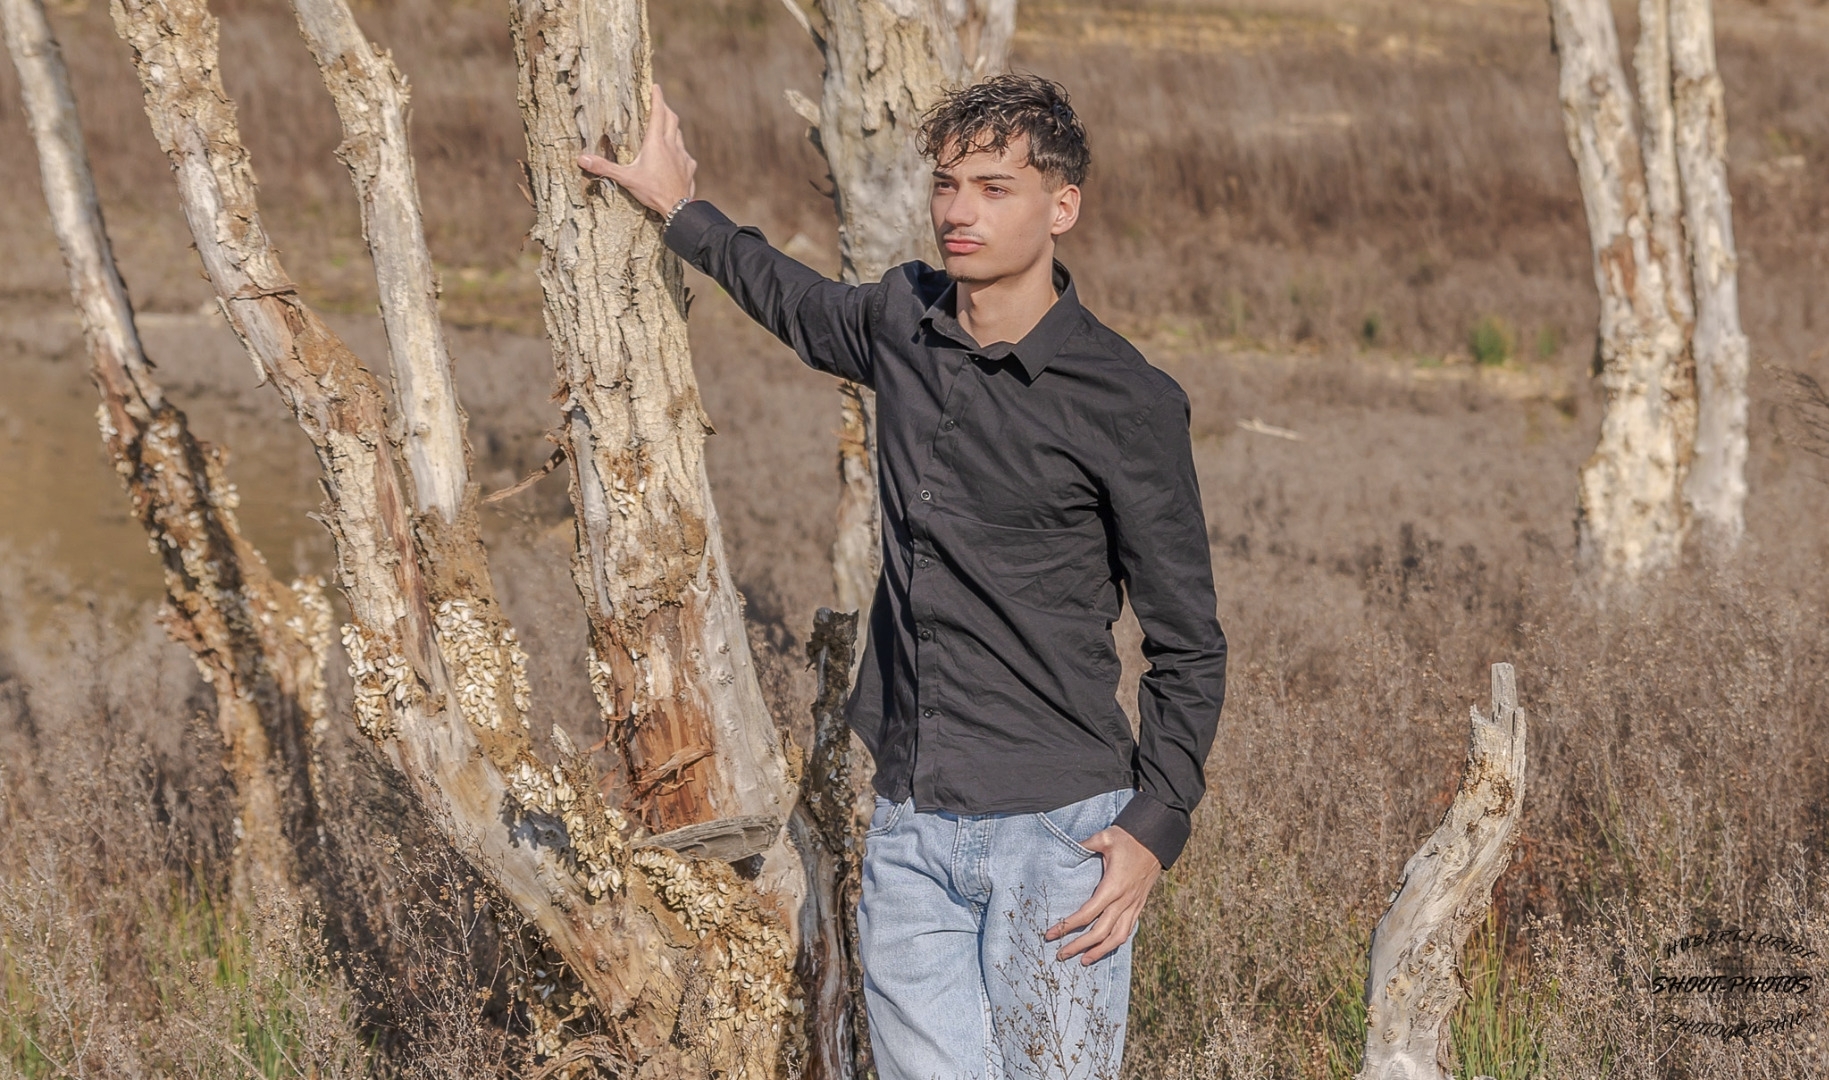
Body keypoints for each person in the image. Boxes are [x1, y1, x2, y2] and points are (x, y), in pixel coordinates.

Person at [581, 72, 1227, 1080]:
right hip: (911, 824)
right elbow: (794, 302)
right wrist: (679, 208)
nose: (959, 211)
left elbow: (1187, 639)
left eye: (993, 188)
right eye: (946, 184)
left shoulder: (1125, 400)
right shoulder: (904, 321)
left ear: (1061, 207)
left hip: (1059, 833)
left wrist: (1156, 824)